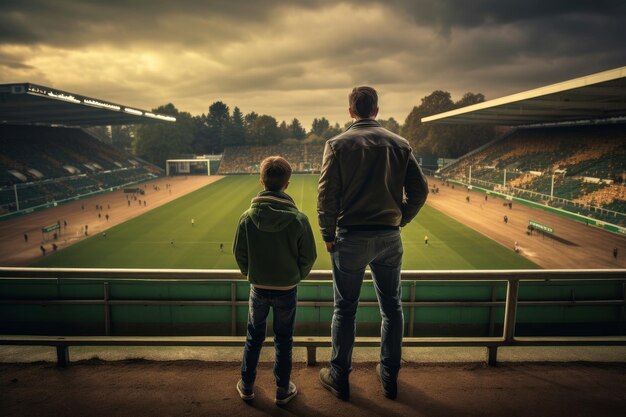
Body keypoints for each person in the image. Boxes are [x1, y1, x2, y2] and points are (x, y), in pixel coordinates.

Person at [317, 86, 428, 401]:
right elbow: (419, 192)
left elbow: (326, 197)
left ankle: (339, 376)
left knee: (344, 309)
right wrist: (400, 221)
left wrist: (327, 235)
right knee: (392, 308)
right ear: (376, 110)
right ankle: (389, 374)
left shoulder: (337, 145)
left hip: (350, 236)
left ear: (351, 111)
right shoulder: (400, 144)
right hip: (388, 237)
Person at [233, 156, 317, 405]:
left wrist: (253, 274)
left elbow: (240, 255)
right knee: (284, 339)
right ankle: (282, 389)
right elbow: (309, 257)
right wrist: (294, 276)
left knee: (253, 337)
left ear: (262, 180)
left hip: (258, 288)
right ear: (287, 184)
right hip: (287, 289)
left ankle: (247, 385)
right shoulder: (299, 219)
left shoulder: (247, 218)